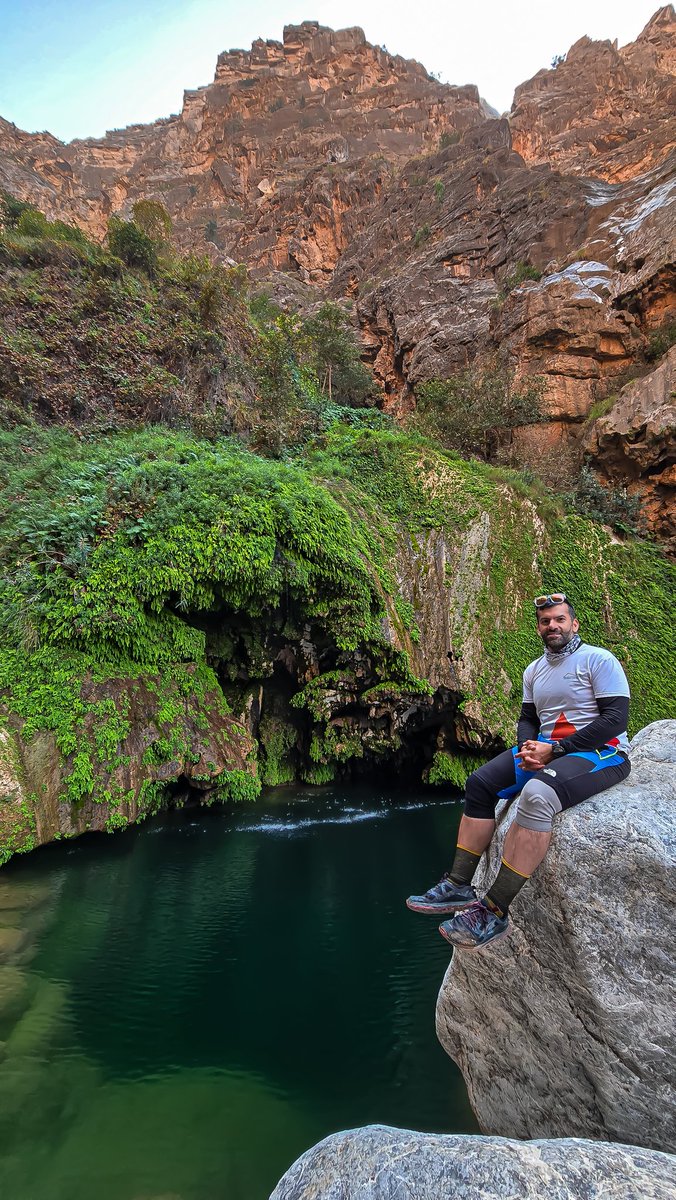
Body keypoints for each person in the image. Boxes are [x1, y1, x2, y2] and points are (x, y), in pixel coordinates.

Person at [406, 592, 631, 949]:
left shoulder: (598, 660)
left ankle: (493, 912)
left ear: (574, 624)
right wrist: (528, 747)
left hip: (601, 753)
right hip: (547, 751)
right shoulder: (534, 670)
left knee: (537, 796)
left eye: (559, 619)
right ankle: (458, 884)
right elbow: (528, 718)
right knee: (479, 784)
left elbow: (615, 718)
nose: (552, 626)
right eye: (545, 621)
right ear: (539, 627)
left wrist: (555, 749)